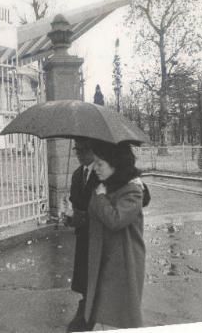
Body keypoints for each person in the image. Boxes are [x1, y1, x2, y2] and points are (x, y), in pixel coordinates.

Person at [84, 140, 147, 330]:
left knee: (118, 316)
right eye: (94, 163)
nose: (95, 168)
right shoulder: (106, 185)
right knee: (104, 314)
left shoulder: (133, 191)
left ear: (115, 164)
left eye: (100, 163)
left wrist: (101, 198)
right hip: (104, 259)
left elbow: (116, 220)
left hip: (123, 262)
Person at [65, 138, 99, 332]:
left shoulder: (103, 172)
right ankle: (86, 307)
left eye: (83, 150)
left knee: (95, 277)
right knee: (84, 276)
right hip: (82, 234)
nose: (79, 154)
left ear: (92, 151)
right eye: (77, 150)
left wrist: (85, 215)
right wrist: (69, 215)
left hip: (97, 234)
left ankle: (88, 316)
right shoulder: (78, 174)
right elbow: (74, 201)